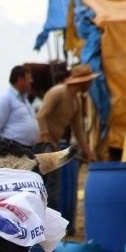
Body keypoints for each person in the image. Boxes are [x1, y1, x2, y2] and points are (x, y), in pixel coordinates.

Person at [35, 63, 99, 212]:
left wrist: (89, 153)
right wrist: (46, 138)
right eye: (89, 81)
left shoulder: (75, 101)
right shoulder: (58, 92)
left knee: (53, 187)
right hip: (43, 144)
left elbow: (79, 132)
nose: (90, 84)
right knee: (50, 186)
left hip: (53, 145)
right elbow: (41, 116)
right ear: (82, 81)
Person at [0, 65, 39, 151]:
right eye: (28, 78)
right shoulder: (5, 99)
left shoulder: (25, 100)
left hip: (28, 151)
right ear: (20, 80)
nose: (31, 81)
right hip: (12, 151)